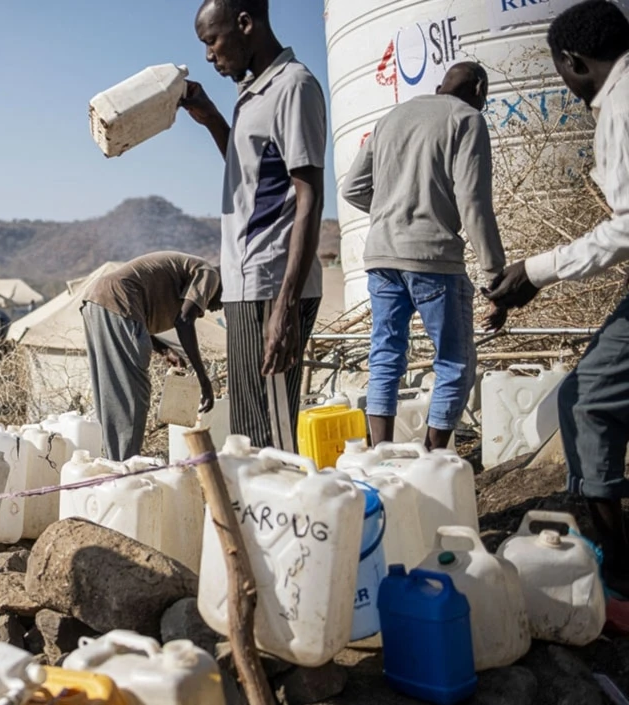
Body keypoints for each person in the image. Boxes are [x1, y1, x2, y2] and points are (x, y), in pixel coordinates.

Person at [486, 0, 629, 595]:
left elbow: (627, 226)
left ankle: (614, 567)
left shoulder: (619, 104)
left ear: (572, 60)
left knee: (586, 397)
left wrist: (534, 271)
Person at [181, 0, 327, 452]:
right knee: (247, 433)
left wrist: (284, 309)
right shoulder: (252, 92)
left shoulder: (293, 86)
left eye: (212, 41)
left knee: (272, 438)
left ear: (245, 24)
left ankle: (285, 522)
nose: (209, 55)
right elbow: (249, 176)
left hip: (273, 284)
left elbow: (310, 197)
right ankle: (261, 522)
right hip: (247, 287)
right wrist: (212, 120)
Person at [342, 61, 508, 450]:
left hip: (382, 257)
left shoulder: (392, 117)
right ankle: (434, 456)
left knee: (385, 354)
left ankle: (381, 453)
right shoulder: (467, 119)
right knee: (453, 360)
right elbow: (473, 200)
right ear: (479, 90)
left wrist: (392, 212)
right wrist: (495, 276)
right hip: (433, 259)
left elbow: (353, 188)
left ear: (439, 86)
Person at [81, 252, 223, 461]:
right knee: (133, 393)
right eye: (226, 301)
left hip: (96, 299)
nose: (220, 308)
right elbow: (184, 321)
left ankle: (116, 461)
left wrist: (165, 350)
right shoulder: (209, 274)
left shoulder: (188, 271)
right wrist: (203, 379)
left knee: (113, 392)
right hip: (118, 300)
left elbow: (140, 321)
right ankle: (126, 467)